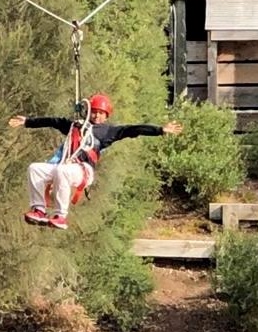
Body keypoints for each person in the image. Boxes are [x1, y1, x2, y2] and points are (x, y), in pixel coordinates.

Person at [8, 92, 183, 231]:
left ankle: (60, 215)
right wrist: (28, 122)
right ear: (89, 111)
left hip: (83, 170)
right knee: (35, 168)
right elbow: (53, 121)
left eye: (101, 113)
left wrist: (160, 130)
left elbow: (133, 129)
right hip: (66, 165)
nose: (97, 116)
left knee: (62, 172)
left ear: (106, 116)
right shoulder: (75, 126)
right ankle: (39, 209)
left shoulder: (108, 131)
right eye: (95, 112)